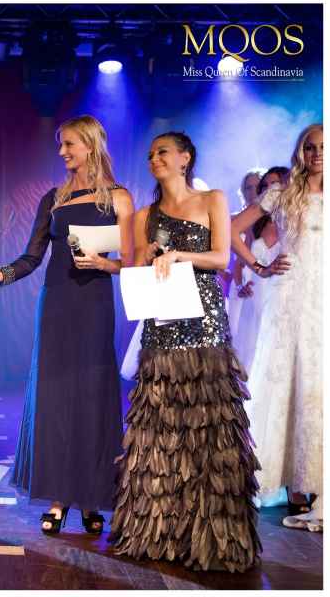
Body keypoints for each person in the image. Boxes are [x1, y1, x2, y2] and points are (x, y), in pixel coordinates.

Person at [108, 131, 261, 572]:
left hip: (204, 321)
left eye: (163, 152)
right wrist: (147, 256)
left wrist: (177, 255)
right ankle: (161, 534)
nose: (154, 159)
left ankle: (212, 537)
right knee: (161, 429)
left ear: (185, 158)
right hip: (162, 323)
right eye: (150, 154)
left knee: (209, 428)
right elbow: (136, 266)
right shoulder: (145, 214)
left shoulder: (212, 199)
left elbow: (220, 258)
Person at [0, 115, 134, 534]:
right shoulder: (53, 199)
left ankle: (91, 498)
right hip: (57, 305)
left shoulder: (119, 198)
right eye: (61, 145)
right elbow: (32, 257)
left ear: (91, 145)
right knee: (57, 399)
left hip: (95, 305)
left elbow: (134, 261)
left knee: (93, 397)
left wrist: (106, 264)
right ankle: (60, 499)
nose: (62, 152)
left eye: (69, 144)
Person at [230, 124, 323, 532]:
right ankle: (300, 490)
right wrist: (260, 266)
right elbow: (230, 229)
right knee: (292, 387)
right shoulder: (282, 194)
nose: (317, 153)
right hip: (290, 302)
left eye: (323, 147)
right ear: (300, 151)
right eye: (310, 147)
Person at [229, 167, 288, 373]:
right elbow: (239, 262)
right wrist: (240, 285)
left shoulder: (296, 221)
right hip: (257, 292)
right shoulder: (254, 225)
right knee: (252, 352)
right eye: (265, 186)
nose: (270, 189)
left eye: (275, 184)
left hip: (284, 293)